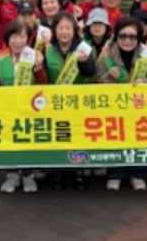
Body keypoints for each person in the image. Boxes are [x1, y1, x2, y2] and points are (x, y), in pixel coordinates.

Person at [97, 16, 147, 191]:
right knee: (115, 139)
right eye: (123, 36)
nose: (127, 40)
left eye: (132, 37)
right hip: (114, 107)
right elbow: (97, 80)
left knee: (138, 138)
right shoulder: (106, 54)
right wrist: (109, 76)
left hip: (139, 107)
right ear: (116, 36)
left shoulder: (146, 54)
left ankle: (137, 174)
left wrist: (144, 82)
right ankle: (115, 174)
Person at [0, 20, 48, 193]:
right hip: (7, 109)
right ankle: (12, 175)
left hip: (30, 109)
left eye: (22, 37)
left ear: (28, 38)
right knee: (9, 142)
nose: (18, 41)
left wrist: (39, 68)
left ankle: (28, 175)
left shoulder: (35, 56)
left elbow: (44, 84)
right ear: (7, 39)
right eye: (14, 37)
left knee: (27, 141)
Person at [44, 12, 96, 190]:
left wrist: (84, 62)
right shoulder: (47, 49)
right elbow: (42, 76)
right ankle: (57, 172)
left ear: (74, 30)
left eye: (68, 28)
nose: (64, 32)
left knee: (77, 137)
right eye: (61, 28)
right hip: (55, 103)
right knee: (58, 137)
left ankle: (78, 172)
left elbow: (90, 72)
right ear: (55, 30)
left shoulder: (84, 48)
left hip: (77, 102)